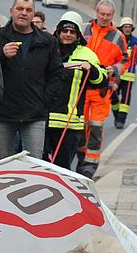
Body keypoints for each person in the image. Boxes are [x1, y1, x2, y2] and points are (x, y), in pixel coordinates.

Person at [0, 0, 63, 160]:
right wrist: (1, 55)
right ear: (11, 11)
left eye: (28, 10)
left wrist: (45, 102)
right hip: (2, 113)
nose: (23, 13)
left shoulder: (47, 42)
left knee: (34, 163)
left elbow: (57, 75)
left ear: (33, 14)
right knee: (1, 164)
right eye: (20, 8)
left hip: (34, 114)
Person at [46, 12, 107, 170]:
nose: (68, 35)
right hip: (44, 119)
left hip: (70, 123)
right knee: (42, 166)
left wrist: (92, 69)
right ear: (58, 31)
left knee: (62, 168)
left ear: (78, 35)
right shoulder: (48, 49)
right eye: (64, 31)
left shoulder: (87, 55)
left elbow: (102, 81)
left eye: (72, 32)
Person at [77, 0, 128, 178]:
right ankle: (81, 158)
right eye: (102, 13)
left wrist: (114, 70)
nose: (104, 17)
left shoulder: (117, 36)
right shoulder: (83, 29)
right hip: (80, 88)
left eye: (108, 14)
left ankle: (91, 163)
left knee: (96, 128)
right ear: (96, 13)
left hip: (101, 90)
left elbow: (124, 60)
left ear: (113, 15)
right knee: (80, 127)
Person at [111, 17, 137, 129]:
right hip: (116, 74)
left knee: (125, 100)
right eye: (125, 27)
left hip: (129, 75)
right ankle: (117, 115)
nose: (127, 29)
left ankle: (121, 120)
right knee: (113, 97)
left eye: (129, 27)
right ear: (121, 28)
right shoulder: (116, 39)